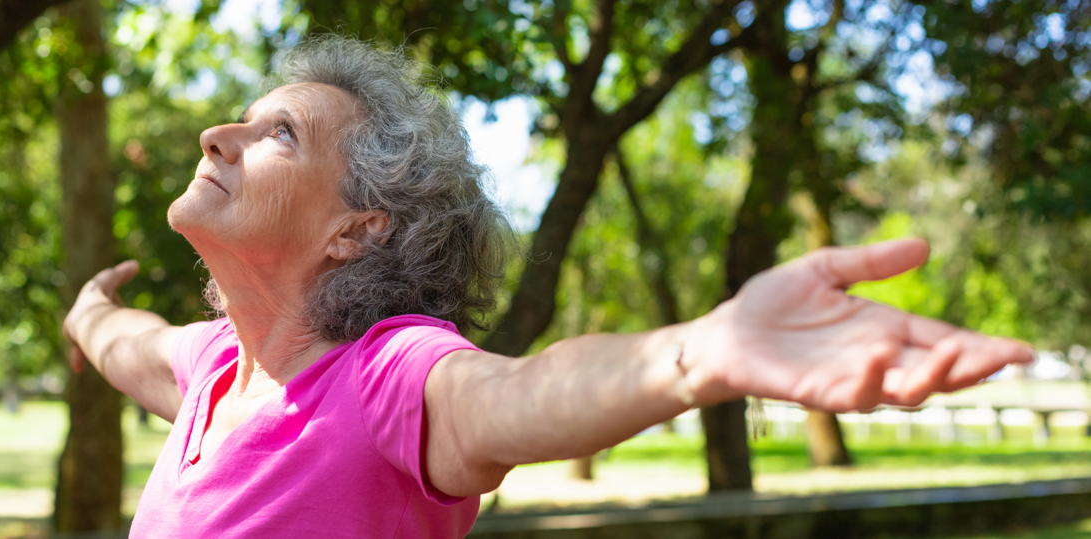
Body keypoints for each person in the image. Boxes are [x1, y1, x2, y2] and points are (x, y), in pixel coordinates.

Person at [63, 35, 1032, 538]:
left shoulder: (386, 378)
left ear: (357, 230)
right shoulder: (214, 368)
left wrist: (702, 351)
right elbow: (126, 340)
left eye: (280, 134)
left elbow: (520, 394)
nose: (216, 136)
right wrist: (91, 311)